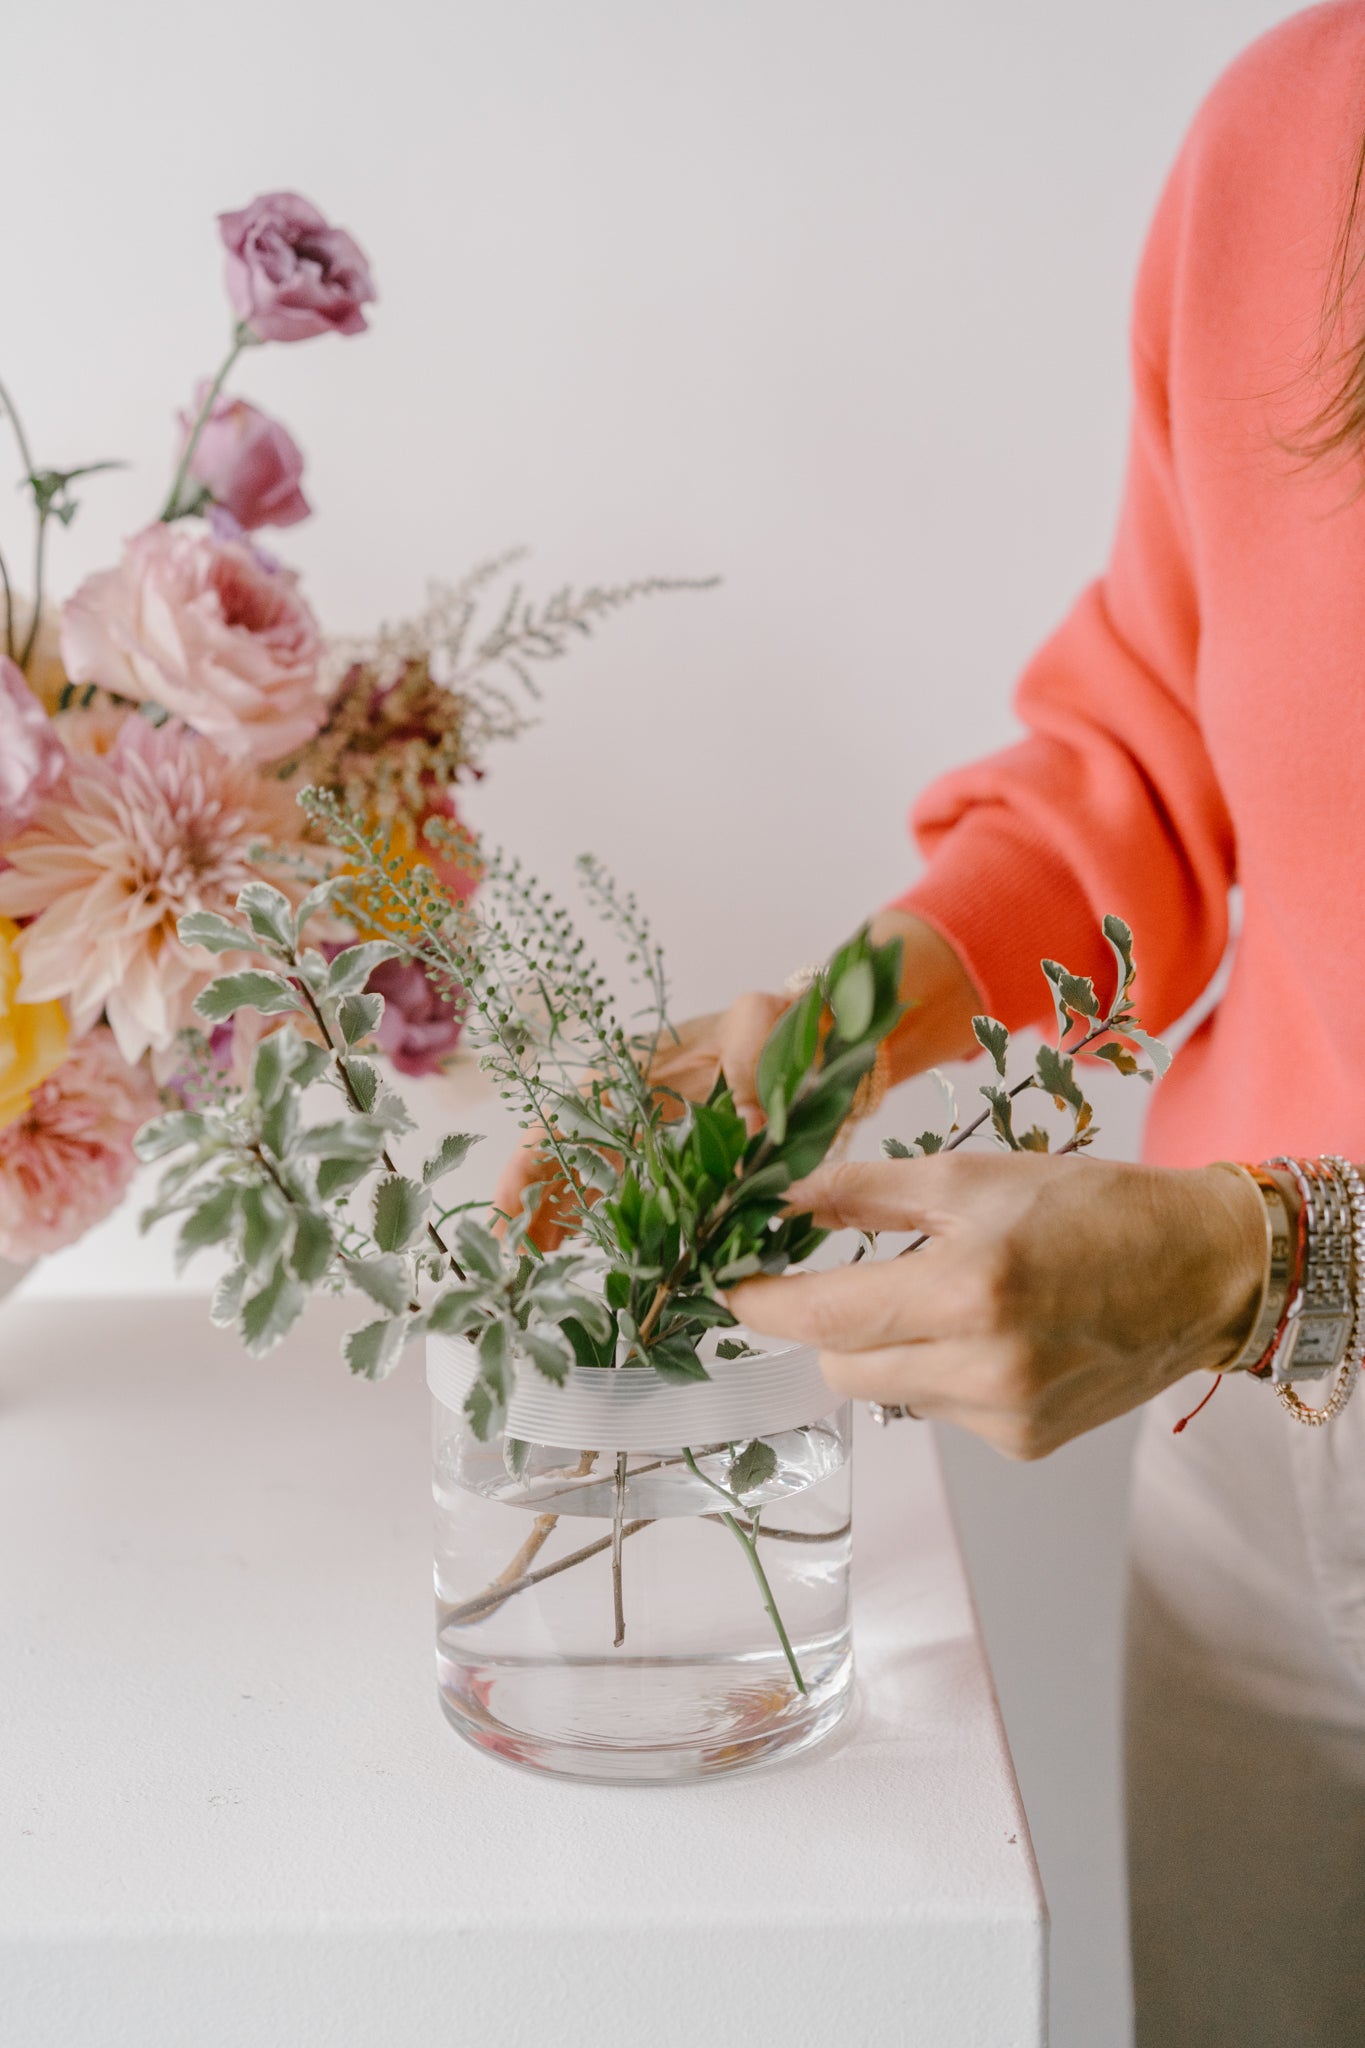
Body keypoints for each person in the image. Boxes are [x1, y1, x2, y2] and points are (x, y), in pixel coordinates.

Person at [495, 7, 1365, 2040]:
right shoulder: (1289, 127)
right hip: (1257, 1463)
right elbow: (1149, 760)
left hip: (1245, 1294)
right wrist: (831, 1030)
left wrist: (1270, 1253)